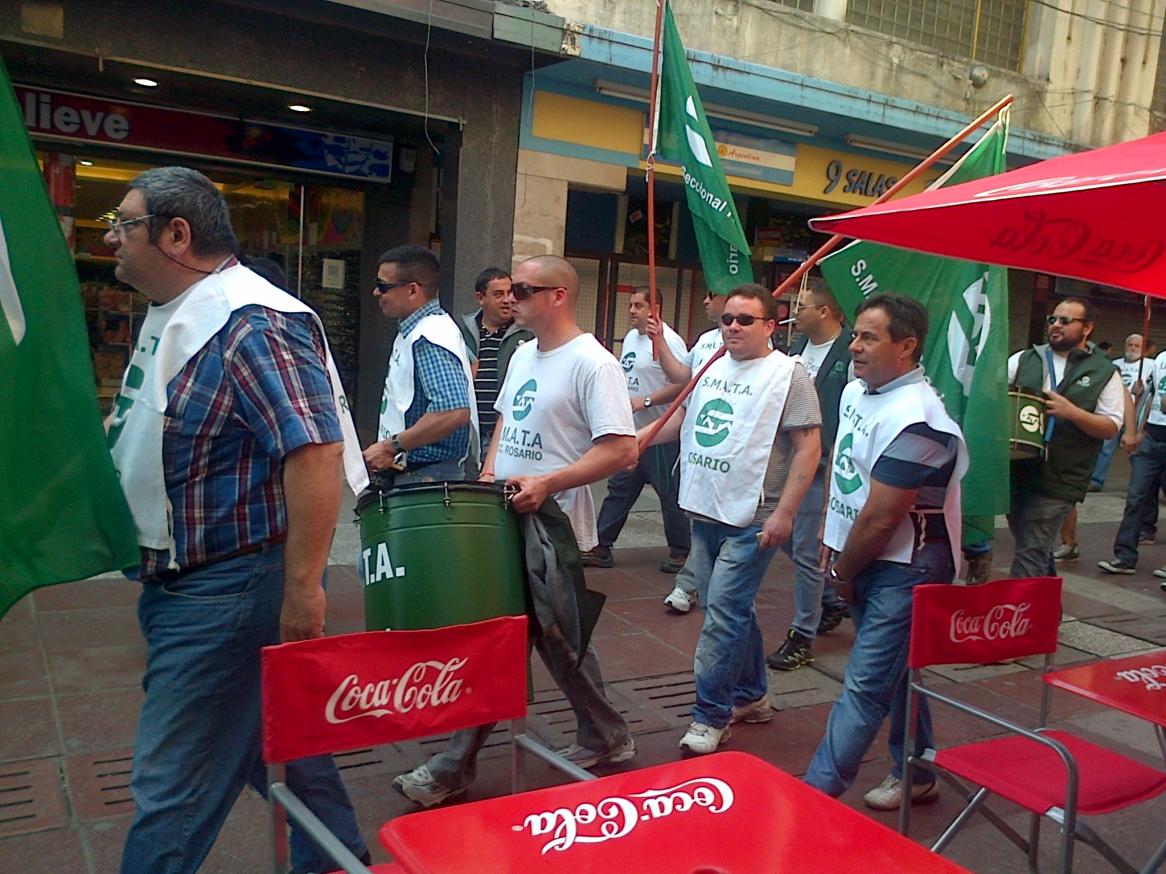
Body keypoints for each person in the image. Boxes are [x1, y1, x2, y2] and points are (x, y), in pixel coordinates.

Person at [103, 167, 370, 874]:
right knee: (280, 750)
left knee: (174, 789)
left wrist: (304, 589)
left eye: (124, 223)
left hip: (224, 592)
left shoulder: (252, 321)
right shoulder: (181, 311)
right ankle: (340, 862)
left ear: (176, 235)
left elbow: (314, 449)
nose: (110, 237)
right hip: (187, 582)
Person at [392, 254, 638, 807]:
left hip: (553, 528)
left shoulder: (593, 363)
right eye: (508, 289)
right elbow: (506, 418)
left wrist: (548, 483)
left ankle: (455, 767)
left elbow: (623, 449)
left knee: (537, 640)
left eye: (524, 290)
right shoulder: (523, 353)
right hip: (504, 514)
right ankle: (605, 734)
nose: (512, 298)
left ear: (558, 296)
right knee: (533, 640)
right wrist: (488, 473)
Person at [804, 293, 967, 810]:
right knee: (897, 671)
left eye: (868, 337)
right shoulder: (857, 390)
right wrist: (832, 539)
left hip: (908, 567)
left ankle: (814, 796)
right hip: (861, 555)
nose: (853, 346)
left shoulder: (921, 419)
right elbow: (844, 469)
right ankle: (916, 769)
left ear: (907, 345)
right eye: (855, 334)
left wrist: (842, 572)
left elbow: (881, 517)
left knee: (865, 685)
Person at [642, 284, 821, 754]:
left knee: (720, 614)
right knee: (732, 608)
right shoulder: (712, 363)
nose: (733, 327)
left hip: (752, 516)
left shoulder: (789, 375)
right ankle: (752, 696)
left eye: (745, 320)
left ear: (770, 326)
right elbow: (685, 420)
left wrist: (784, 513)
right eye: (727, 319)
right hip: (706, 507)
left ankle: (710, 714)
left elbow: (809, 447)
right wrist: (636, 440)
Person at [766, 286, 852, 671]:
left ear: (826, 311)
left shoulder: (848, 353)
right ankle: (829, 599)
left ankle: (803, 632)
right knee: (780, 535)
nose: (793, 312)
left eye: (802, 307)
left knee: (805, 549)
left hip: (824, 464)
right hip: (790, 459)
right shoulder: (795, 349)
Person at [1007, 298, 1123, 577]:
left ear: (1087, 328)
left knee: (1030, 550)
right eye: (1053, 319)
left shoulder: (1104, 371)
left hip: (1063, 476)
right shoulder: (1024, 359)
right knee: (1033, 545)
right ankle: (1049, 611)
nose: (1056, 325)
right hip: (1018, 468)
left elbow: (1110, 427)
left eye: (1065, 321)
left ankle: (1023, 615)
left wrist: (1072, 413)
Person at [582, 287, 690, 574]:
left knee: (669, 493)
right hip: (631, 431)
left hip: (660, 432)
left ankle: (681, 549)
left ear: (655, 309)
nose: (631, 311)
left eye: (639, 306)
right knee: (619, 488)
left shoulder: (671, 342)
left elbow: (683, 384)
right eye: (630, 305)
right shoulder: (631, 337)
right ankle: (602, 545)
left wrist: (645, 401)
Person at [363, 246, 476, 489]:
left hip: (426, 476)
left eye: (383, 286)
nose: (375, 292)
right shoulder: (430, 328)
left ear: (413, 290)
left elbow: (453, 411)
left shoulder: (429, 336)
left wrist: (389, 447)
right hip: (423, 472)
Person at [1099, 339, 1166, 577]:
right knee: (1135, 497)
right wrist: (1137, 431)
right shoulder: (1161, 360)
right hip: (1152, 437)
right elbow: (1151, 398)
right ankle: (1125, 556)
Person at [457, 267, 533, 460]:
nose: (508, 300)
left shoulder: (528, 333)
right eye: (499, 294)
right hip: (468, 436)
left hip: (508, 437)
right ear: (480, 298)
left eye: (511, 293)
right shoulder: (460, 333)